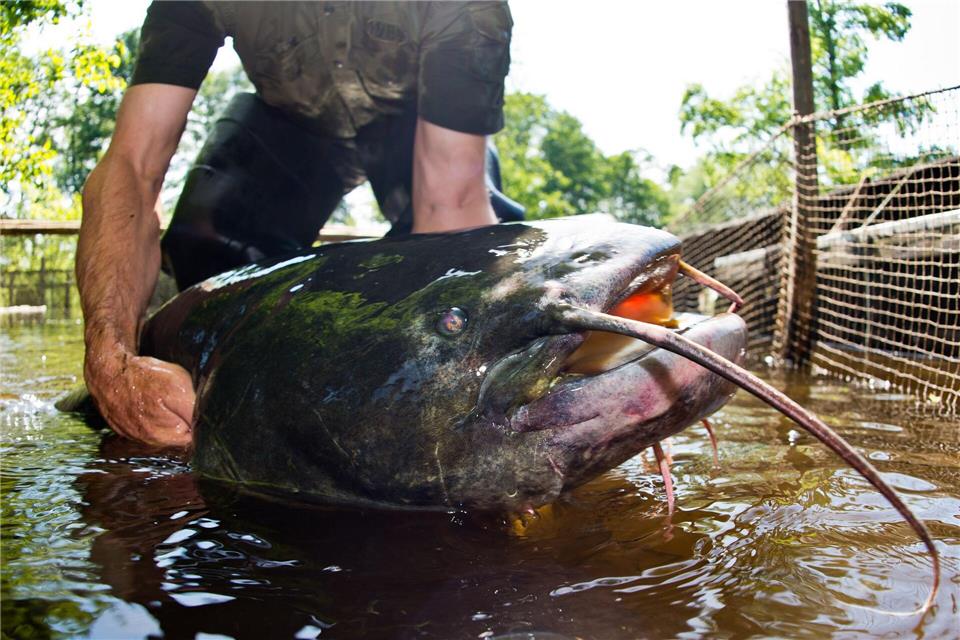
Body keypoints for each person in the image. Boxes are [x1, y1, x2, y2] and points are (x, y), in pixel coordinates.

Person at [76, 1, 521, 448]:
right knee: (205, 241)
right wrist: (109, 362)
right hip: (288, 131)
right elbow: (132, 166)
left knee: (466, 264)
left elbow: (450, 205)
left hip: (415, 129)